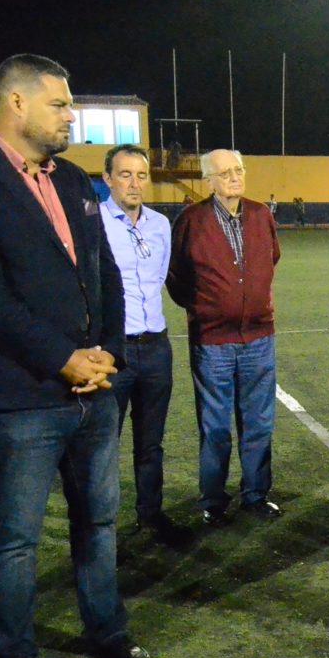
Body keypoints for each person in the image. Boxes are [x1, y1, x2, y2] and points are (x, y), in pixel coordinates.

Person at [0, 54, 152, 658]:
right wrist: (64, 358)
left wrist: (108, 353)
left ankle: (107, 629)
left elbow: (105, 273)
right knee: (17, 539)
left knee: (99, 522)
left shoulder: (76, 181)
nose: (70, 116)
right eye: (59, 104)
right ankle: (13, 657)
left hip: (94, 391)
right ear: (16, 104)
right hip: (21, 396)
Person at [167, 149, 283, 526]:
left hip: (259, 338)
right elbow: (176, 275)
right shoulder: (191, 220)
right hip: (212, 341)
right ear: (208, 181)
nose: (235, 178)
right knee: (215, 427)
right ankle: (213, 500)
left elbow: (272, 258)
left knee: (258, 423)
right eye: (225, 173)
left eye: (238, 170)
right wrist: (205, 308)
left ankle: (256, 495)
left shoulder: (261, 215)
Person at [99, 144, 191, 546]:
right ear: (108, 179)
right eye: (125, 174)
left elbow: (163, 277)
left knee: (151, 443)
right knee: (103, 445)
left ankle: (150, 517)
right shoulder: (94, 223)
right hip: (113, 351)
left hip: (156, 347)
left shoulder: (160, 224)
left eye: (141, 175)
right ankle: (100, 529)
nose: (134, 183)